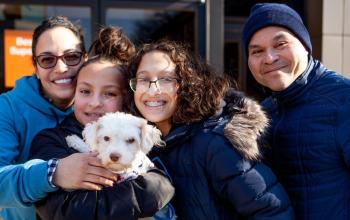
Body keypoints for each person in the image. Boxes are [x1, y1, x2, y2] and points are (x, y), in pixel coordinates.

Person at [126, 39, 294, 219]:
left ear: (187, 83)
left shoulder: (214, 142)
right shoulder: (140, 145)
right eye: (144, 79)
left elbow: (272, 212)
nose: (153, 90)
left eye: (166, 79)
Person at [29, 26, 174, 220]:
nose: (95, 103)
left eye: (110, 93)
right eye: (85, 91)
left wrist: (157, 188)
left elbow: (161, 184)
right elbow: (64, 212)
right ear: (74, 93)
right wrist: (149, 192)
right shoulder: (51, 141)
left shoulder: (137, 132)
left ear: (125, 98)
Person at [0, 16, 117, 220]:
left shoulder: (101, 107)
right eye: (47, 60)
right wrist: (53, 173)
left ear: (85, 59)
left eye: (71, 56)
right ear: (35, 68)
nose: (61, 68)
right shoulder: (7, 107)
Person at [242, 3, 350, 219]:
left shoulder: (343, 100)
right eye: (257, 51)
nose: (269, 58)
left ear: (305, 45)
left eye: (280, 44)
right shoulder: (264, 113)